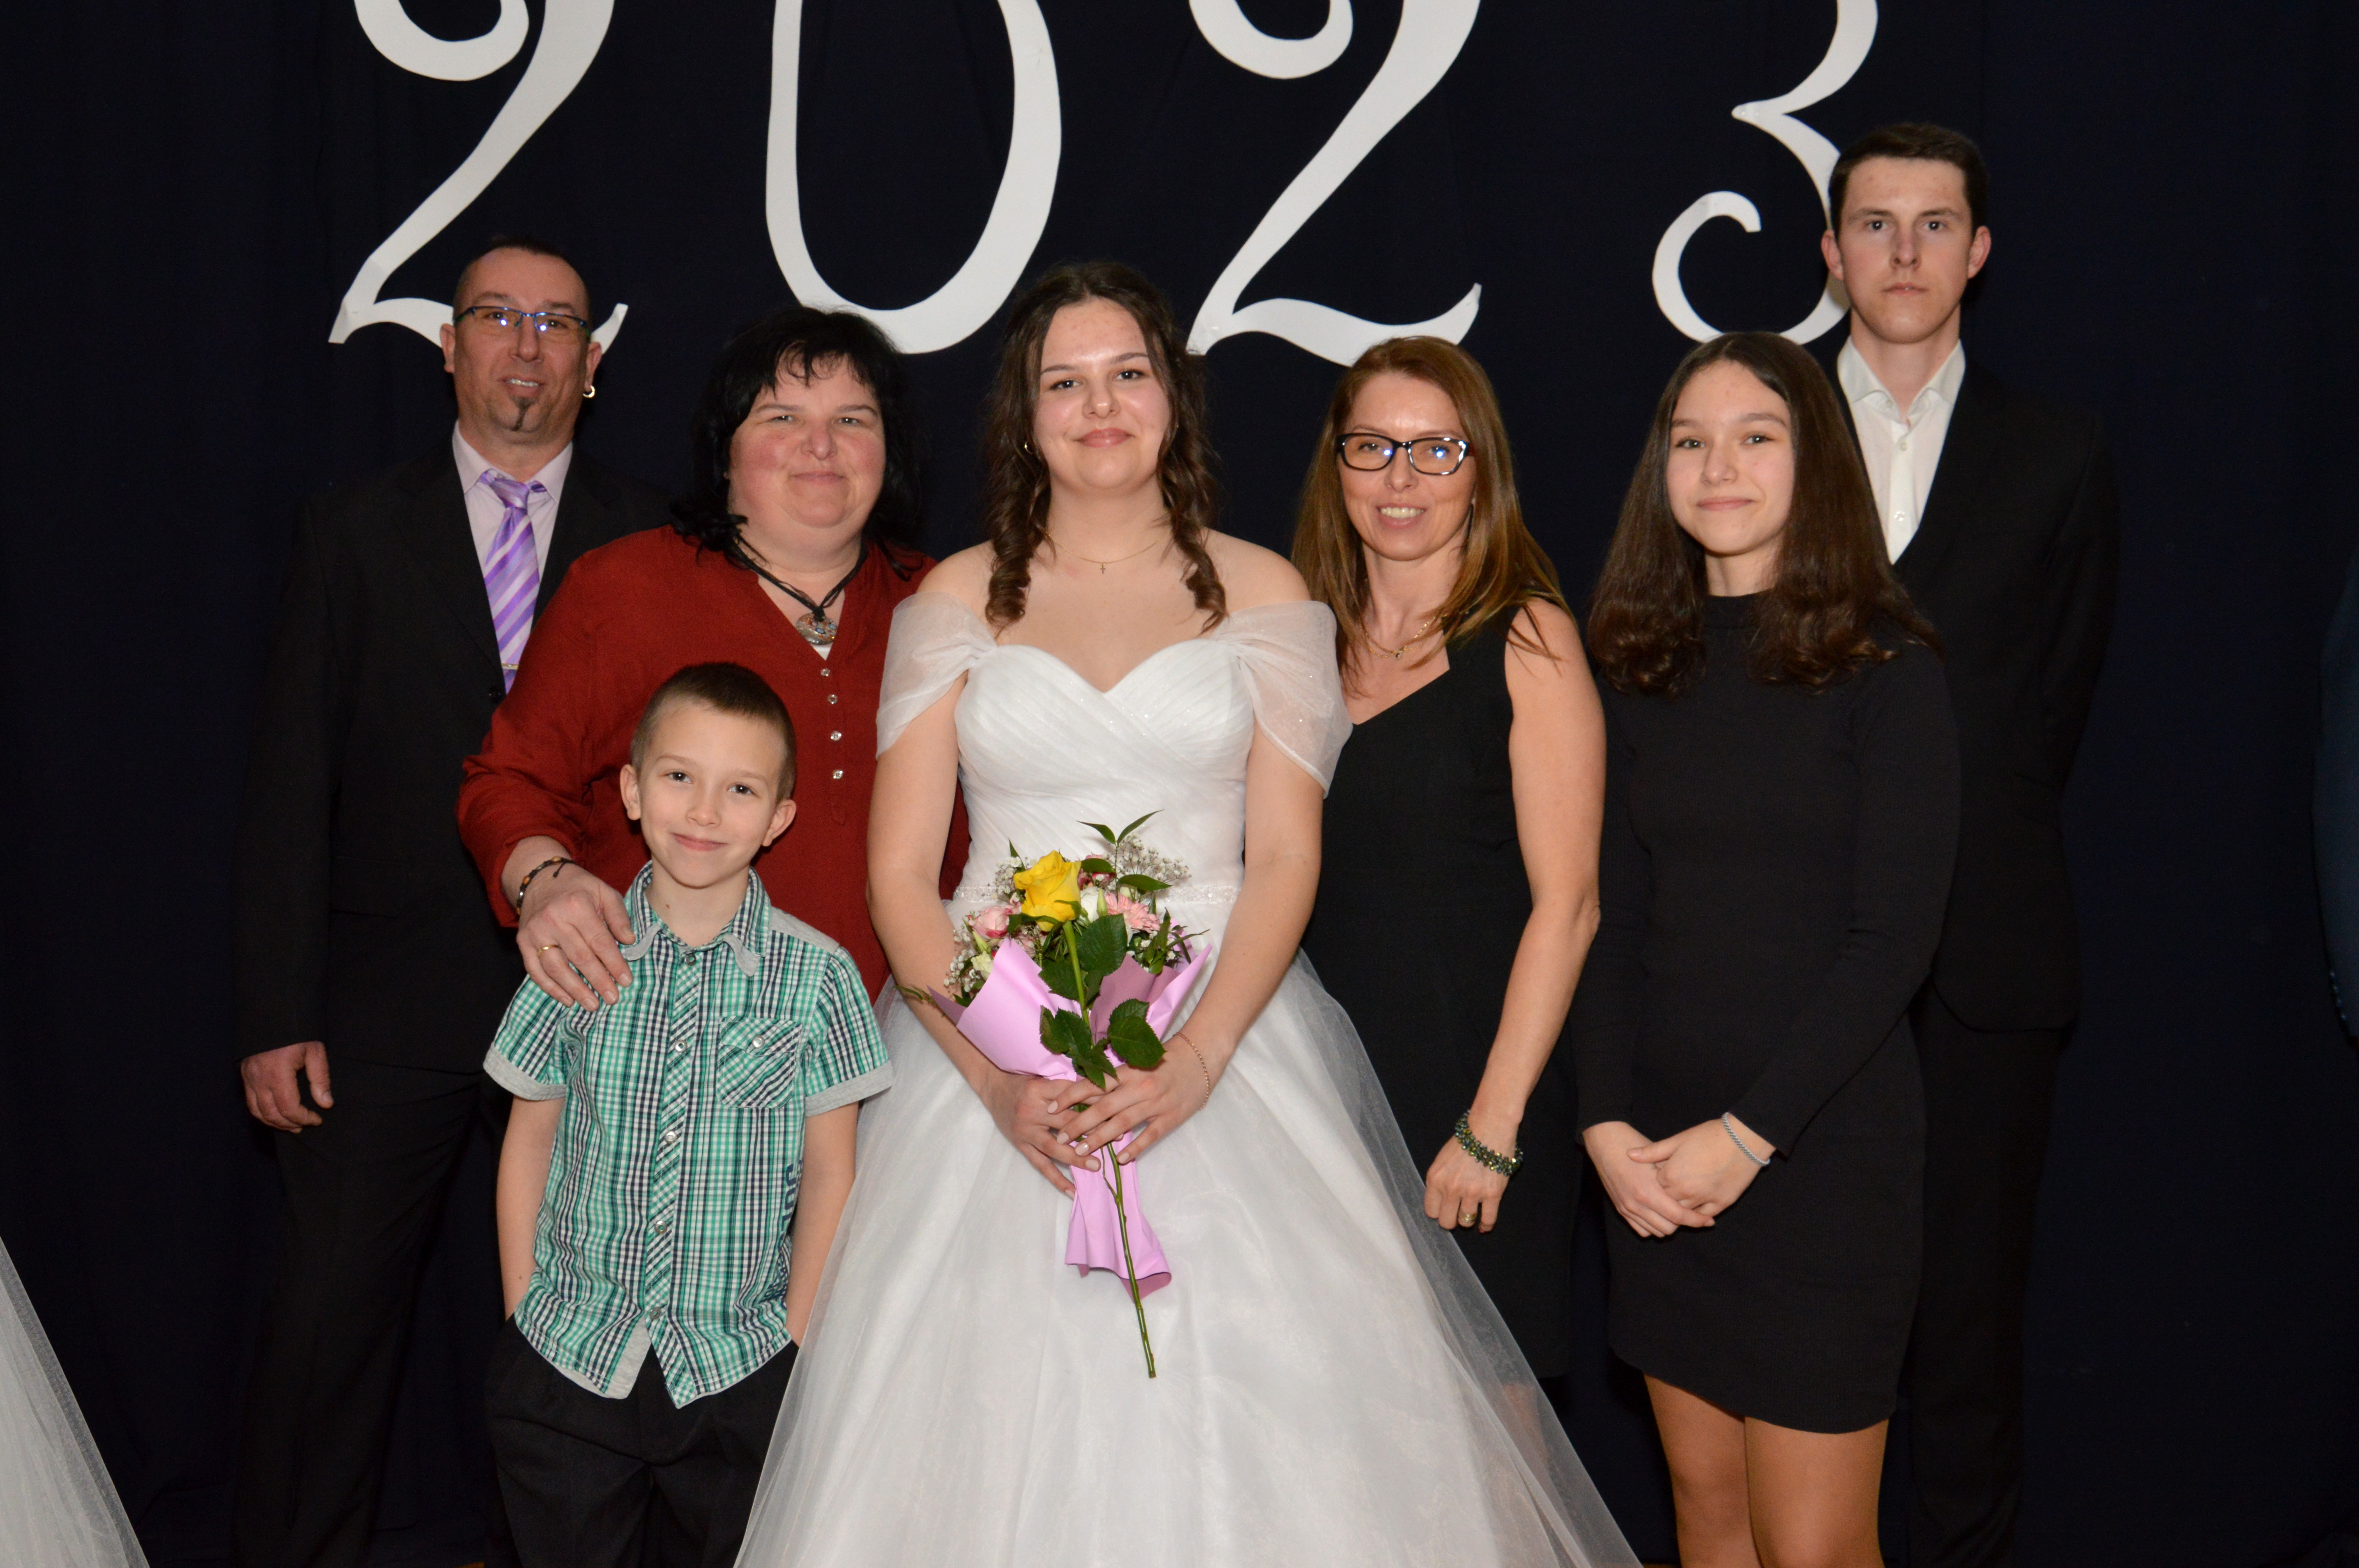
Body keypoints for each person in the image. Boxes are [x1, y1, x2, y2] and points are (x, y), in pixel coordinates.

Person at [731, 263, 1637, 1568]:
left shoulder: (1268, 595)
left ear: (1174, 398)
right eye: (1065, 382)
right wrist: (997, 1081)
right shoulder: (952, 599)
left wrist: (1200, 1057)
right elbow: (899, 878)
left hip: (1224, 1042)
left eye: (1127, 374)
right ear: (1024, 415)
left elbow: (1284, 858)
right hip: (985, 1067)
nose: (1099, 406)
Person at [231, 237, 671, 1568]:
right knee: (329, 1330)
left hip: (601, 995)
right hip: (382, 1007)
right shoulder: (352, 531)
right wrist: (274, 1010)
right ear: (449, 346)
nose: (527, 346)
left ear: (594, 363)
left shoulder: (658, 540)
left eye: (557, 323)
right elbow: (290, 780)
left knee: (588, 1340)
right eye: (497, 316)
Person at [1572, 331, 1959, 1568]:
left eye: (1756, 437)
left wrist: (1749, 1139)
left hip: (1820, 1164)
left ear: (1816, 462)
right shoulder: (1638, 667)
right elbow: (1610, 918)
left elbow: (1892, 944)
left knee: (1813, 1547)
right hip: (1659, 1168)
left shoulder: (1889, 671)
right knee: (1712, 1522)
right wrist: (1603, 1125)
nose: (1718, 467)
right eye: (1691, 441)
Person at [1818, 122, 2120, 1568]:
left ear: (1978, 252)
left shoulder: (2055, 453)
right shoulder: (1742, 432)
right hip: (1776, 953)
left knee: (1966, 1329)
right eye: (1874, 224)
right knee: (1785, 1324)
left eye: (1933, 225)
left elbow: (2048, 711)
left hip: (1984, 961)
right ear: (1830, 254)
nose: (1904, 252)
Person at [483, 663, 888, 1568]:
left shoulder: (818, 976)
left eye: (740, 788)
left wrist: (793, 1340)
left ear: (778, 816)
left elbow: (832, 1168)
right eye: (678, 777)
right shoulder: (574, 950)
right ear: (632, 791)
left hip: (736, 1367)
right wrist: (522, 1312)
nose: (704, 811)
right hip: (568, 1354)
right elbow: (530, 1134)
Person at [458, 305, 956, 1011]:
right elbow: (509, 783)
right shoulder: (620, 589)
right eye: (782, 418)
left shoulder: (944, 602)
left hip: (912, 1042)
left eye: (852, 420)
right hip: (657, 1034)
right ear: (726, 451)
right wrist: (544, 881)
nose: (821, 445)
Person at [1292, 336, 1605, 1392]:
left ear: (1482, 471)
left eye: (1436, 448)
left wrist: (1492, 1126)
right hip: (1320, 1100)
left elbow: (1569, 906)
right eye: (1373, 446)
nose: (1401, 477)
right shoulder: (1296, 642)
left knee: (1493, 1431)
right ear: (1336, 464)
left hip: (1474, 1098)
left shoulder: (1528, 639)